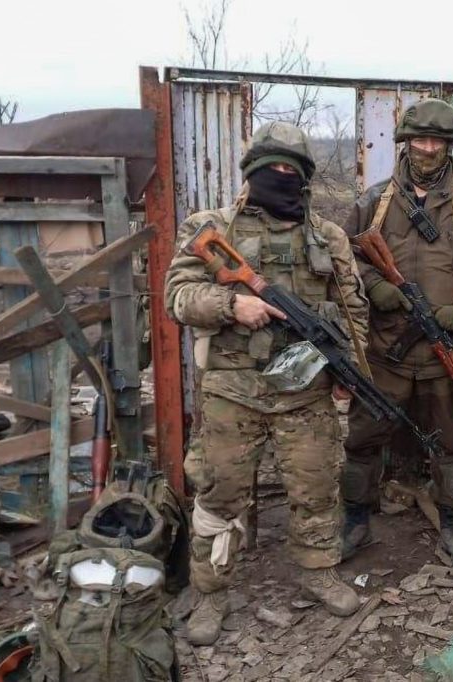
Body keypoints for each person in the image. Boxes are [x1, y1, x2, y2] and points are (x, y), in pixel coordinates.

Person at [165, 121, 369, 645]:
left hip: (306, 392)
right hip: (232, 390)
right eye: (271, 167)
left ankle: (318, 571)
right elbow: (177, 296)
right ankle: (211, 593)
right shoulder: (212, 227)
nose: (281, 175)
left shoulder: (327, 236)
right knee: (220, 493)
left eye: (290, 169)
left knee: (317, 487)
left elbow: (354, 311)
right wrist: (231, 304)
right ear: (251, 169)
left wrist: (349, 371)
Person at [340, 98, 453, 566]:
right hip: (384, 351)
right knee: (364, 438)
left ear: (449, 147)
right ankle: (355, 521)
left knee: (451, 443)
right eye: (419, 139)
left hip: (445, 350)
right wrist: (376, 287)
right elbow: (344, 258)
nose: (427, 149)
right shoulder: (373, 203)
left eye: (436, 141)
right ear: (405, 143)